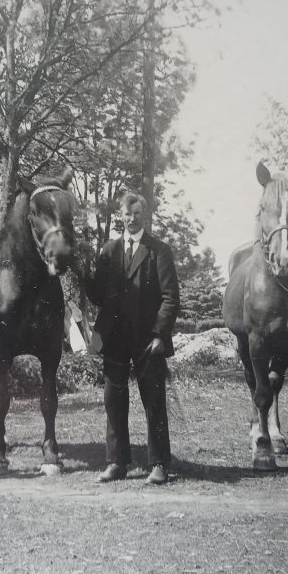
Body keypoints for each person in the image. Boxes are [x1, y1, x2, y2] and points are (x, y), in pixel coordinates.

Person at [83, 192, 180, 485]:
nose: (132, 218)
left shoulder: (159, 251)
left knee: (154, 401)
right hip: (114, 340)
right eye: (127, 214)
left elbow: (170, 298)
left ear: (145, 215)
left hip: (147, 341)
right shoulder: (108, 251)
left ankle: (159, 464)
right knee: (114, 400)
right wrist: (85, 273)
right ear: (121, 216)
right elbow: (98, 295)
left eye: (137, 213)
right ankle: (116, 462)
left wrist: (160, 335)